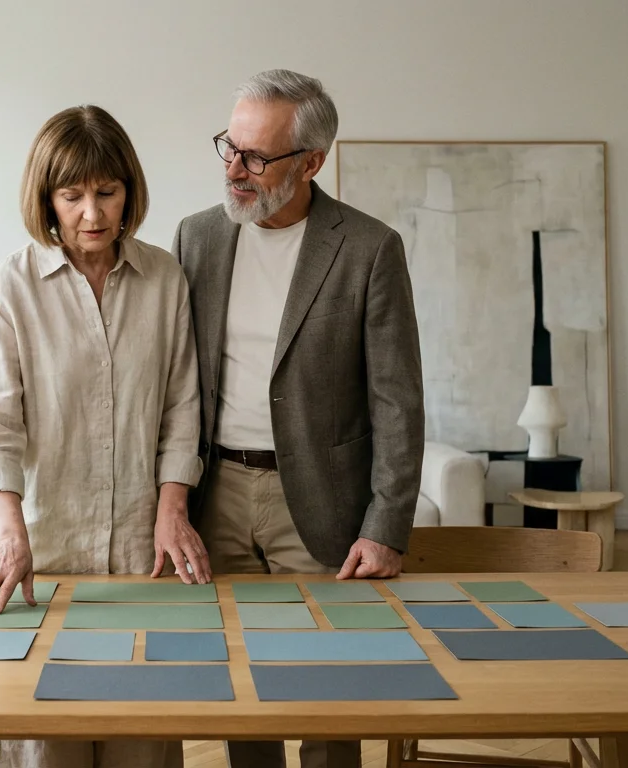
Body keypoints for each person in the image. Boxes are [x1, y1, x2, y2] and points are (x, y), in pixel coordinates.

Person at [172, 69, 425, 768]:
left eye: (255, 157)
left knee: (329, 685)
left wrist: (385, 527)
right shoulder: (196, 238)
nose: (235, 169)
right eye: (229, 147)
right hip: (216, 489)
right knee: (240, 682)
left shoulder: (370, 248)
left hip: (318, 498)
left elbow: (398, 402)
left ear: (312, 162)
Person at [0, 104, 209, 768]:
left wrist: (173, 508)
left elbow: (182, 407)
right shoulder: (8, 288)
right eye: (72, 195)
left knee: (141, 735)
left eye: (106, 191)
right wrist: (8, 526)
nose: (91, 213)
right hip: (35, 547)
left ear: (129, 190)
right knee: (44, 744)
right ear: (46, 198)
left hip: (137, 551)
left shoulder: (164, 280)